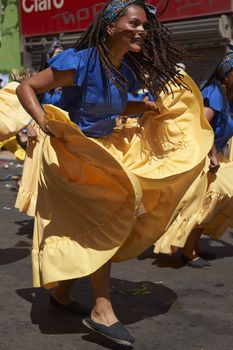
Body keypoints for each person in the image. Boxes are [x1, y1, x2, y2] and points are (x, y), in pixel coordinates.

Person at [15, 0, 212, 345]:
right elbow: (26, 87)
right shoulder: (80, 61)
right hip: (70, 152)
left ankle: (60, 291)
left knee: (109, 216)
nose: (142, 30)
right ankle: (102, 310)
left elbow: (114, 104)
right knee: (108, 213)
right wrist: (43, 121)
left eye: (144, 26)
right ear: (110, 28)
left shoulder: (126, 70)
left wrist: (144, 107)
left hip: (104, 149)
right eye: (134, 24)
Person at [154, 53, 233, 268]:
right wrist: (213, 154)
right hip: (201, 155)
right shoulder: (215, 95)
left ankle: (194, 246)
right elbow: (202, 126)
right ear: (226, 76)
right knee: (203, 204)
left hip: (212, 157)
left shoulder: (230, 97)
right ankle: (187, 251)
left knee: (211, 203)